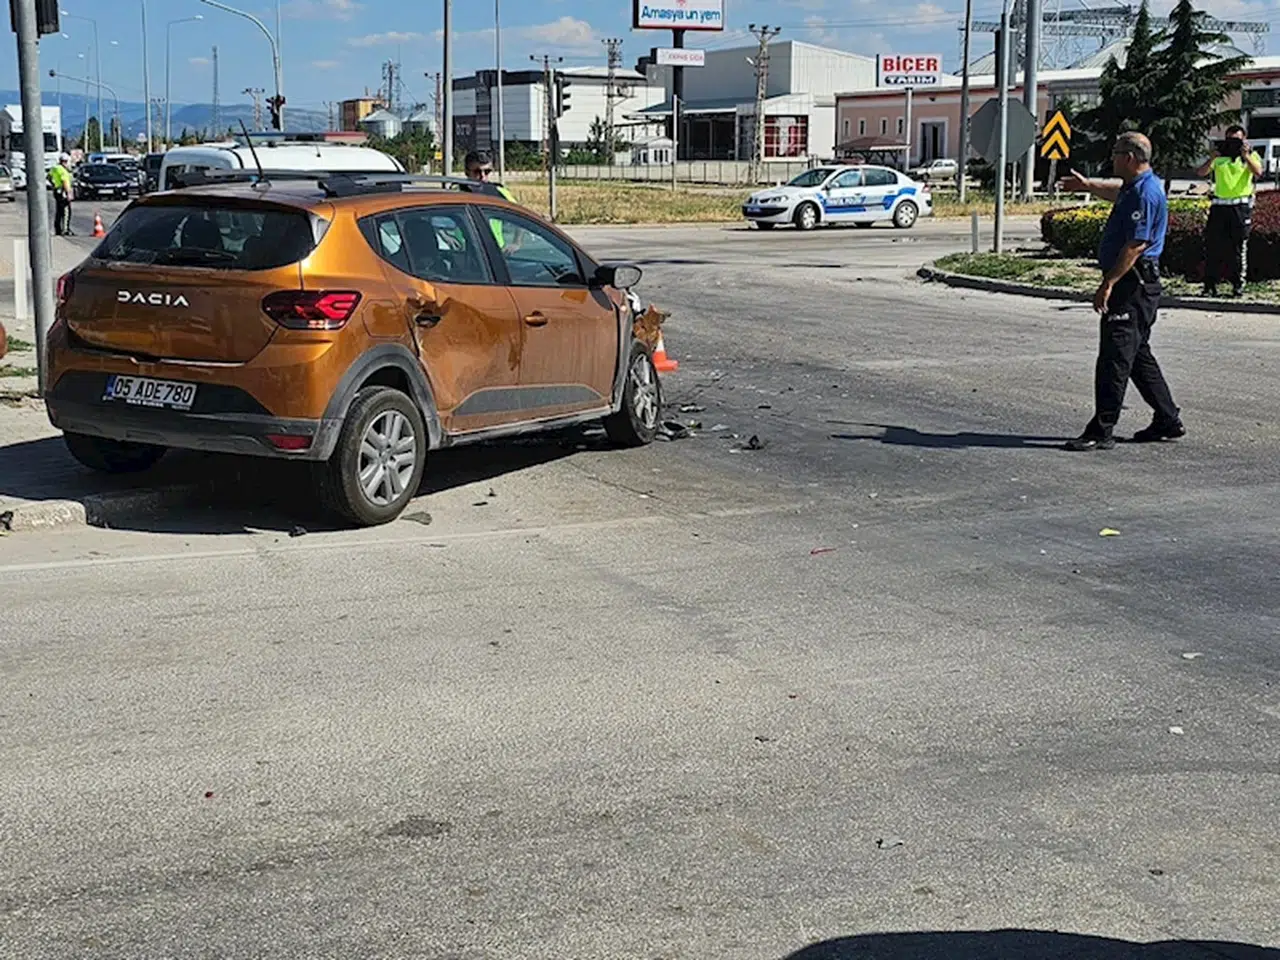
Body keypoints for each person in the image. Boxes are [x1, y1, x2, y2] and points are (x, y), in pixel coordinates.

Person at [1058, 132, 1184, 451]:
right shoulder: (1135, 187)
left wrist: (1108, 283)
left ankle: (1102, 429)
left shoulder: (1145, 193)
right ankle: (1167, 419)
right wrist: (1087, 185)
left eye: (1115, 154)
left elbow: (1135, 245)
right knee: (1137, 355)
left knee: (1114, 357)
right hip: (1137, 283)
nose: (1111, 159)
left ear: (1129, 157)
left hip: (1133, 284)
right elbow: (1116, 193)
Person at [1195, 124, 1262, 297]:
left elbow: (1258, 172)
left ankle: (1237, 285)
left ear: (1244, 139)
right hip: (1219, 205)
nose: (1232, 143)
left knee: (1238, 248)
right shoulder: (1219, 157)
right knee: (1213, 247)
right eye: (1229, 139)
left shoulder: (1251, 155)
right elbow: (1201, 172)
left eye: (1237, 140)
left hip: (1240, 206)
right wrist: (1212, 158)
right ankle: (1210, 285)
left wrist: (1245, 156)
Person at [48, 153, 74, 237]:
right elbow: (65, 182)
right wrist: (68, 194)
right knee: (66, 211)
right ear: (65, 162)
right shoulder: (63, 171)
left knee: (58, 211)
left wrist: (54, 185)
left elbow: (48, 177)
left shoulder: (55, 168)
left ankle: (58, 229)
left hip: (57, 191)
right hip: (63, 192)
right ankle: (65, 229)